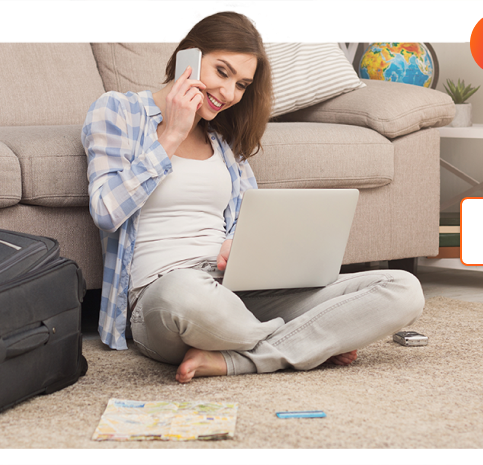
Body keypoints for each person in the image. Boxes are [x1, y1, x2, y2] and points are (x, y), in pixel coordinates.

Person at [82, 11, 424, 384]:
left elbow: (248, 222)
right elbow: (106, 210)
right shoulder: (117, 111)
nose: (229, 94)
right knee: (186, 295)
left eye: (242, 84)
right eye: (222, 72)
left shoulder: (223, 141)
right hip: (163, 295)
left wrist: (238, 243)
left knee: (403, 290)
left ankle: (236, 358)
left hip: (234, 290)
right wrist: (171, 136)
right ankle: (312, 340)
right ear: (188, 56)